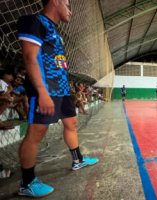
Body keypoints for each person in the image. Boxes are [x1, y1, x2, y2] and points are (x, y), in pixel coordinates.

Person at [17, 0, 99, 197]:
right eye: (68, 4)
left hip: (62, 90)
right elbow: (30, 58)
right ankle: (27, 183)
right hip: (45, 90)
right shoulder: (34, 22)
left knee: (71, 123)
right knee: (37, 133)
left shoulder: (57, 33)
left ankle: (77, 159)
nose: (70, 11)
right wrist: (42, 93)